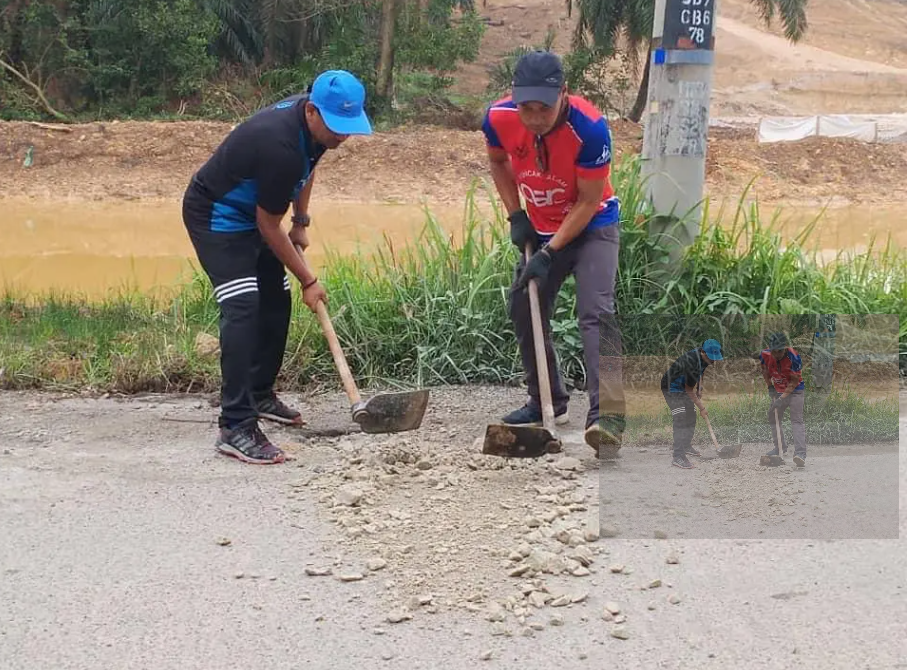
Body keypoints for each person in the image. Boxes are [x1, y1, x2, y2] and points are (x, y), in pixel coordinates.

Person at [181, 70, 373, 465]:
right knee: (243, 306)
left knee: (275, 298)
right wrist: (309, 280)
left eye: (348, 128)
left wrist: (301, 221)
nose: (343, 136)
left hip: (255, 215)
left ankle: (260, 393)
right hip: (217, 216)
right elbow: (268, 223)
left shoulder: (315, 131)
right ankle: (235, 425)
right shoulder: (279, 143)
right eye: (337, 127)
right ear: (313, 111)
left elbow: (308, 167)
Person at [480, 49, 626, 457]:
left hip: (592, 226)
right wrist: (515, 215)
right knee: (524, 305)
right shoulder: (497, 118)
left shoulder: (591, 129)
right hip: (540, 228)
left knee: (595, 313)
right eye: (525, 107)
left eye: (542, 108)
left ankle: (607, 417)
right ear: (514, 96)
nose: (534, 117)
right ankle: (546, 400)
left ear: (563, 93)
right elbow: (496, 160)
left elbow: (587, 200)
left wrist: (550, 252)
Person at [660, 339, 724, 469]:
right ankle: (678, 456)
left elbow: (701, 372)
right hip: (671, 387)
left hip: (683, 387)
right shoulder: (691, 362)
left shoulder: (704, 358)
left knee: (691, 414)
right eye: (711, 358)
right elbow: (688, 389)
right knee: (680, 417)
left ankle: (686, 445)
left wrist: (699, 387)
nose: (713, 362)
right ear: (703, 352)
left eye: (714, 359)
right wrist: (702, 408)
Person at [761, 332, 807, 467]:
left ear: (785, 347)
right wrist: (770, 387)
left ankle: (800, 454)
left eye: (780, 352)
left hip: (796, 391)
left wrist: (782, 398)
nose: (777, 355)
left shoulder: (794, 357)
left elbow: (794, 382)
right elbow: (765, 371)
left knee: (796, 420)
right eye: (774, 352)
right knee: (772, 416)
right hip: (778, 390)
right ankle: (779, 448)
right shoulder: (765, 355)